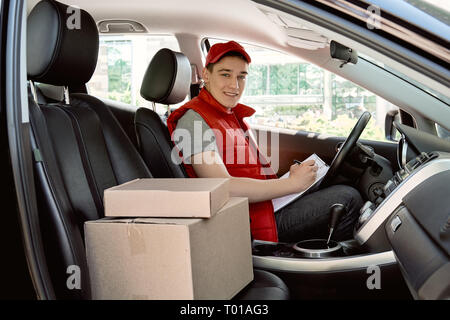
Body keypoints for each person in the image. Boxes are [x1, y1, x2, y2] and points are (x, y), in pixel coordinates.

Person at [167, 41, 363, 243]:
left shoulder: (227, 115)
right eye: (225, 74)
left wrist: (289, 181)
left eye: (241, 77)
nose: (235, 85)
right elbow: (223, 188)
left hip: (263, 207)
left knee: (341, 181)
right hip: (245, 223)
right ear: (206, 75)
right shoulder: (193, 120)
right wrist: (289, 184)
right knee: (347, 198)